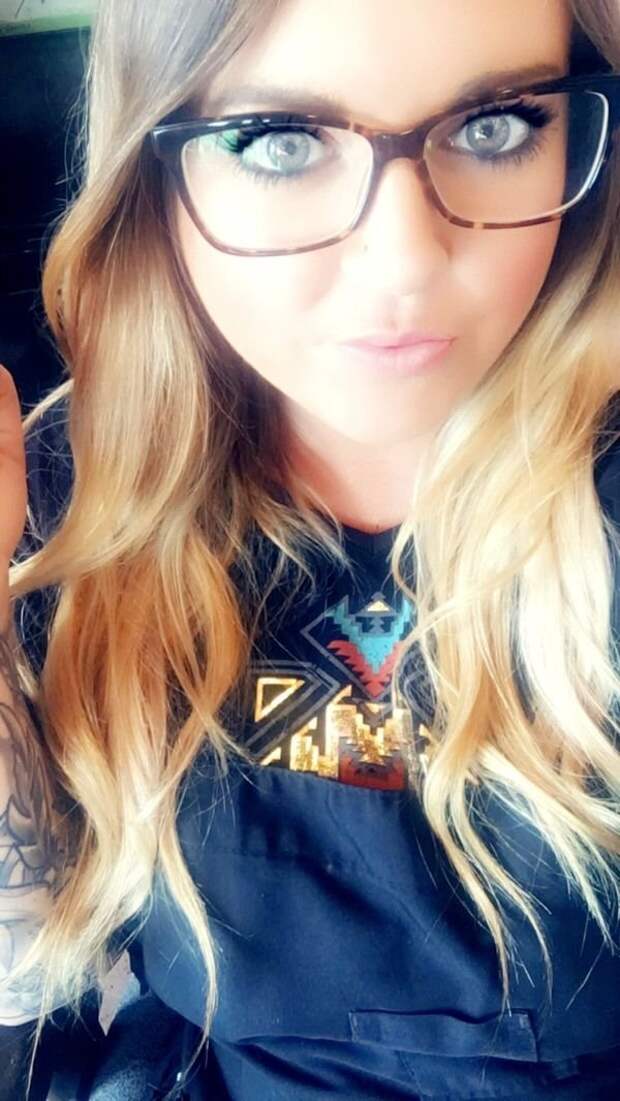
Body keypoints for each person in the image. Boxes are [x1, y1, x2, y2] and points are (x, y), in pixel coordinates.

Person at [1, 0, 620, 1097]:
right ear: (153, 180)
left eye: (494, 126)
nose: (404, 264)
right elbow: (32, 983)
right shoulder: (73, 499)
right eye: (279, 140)